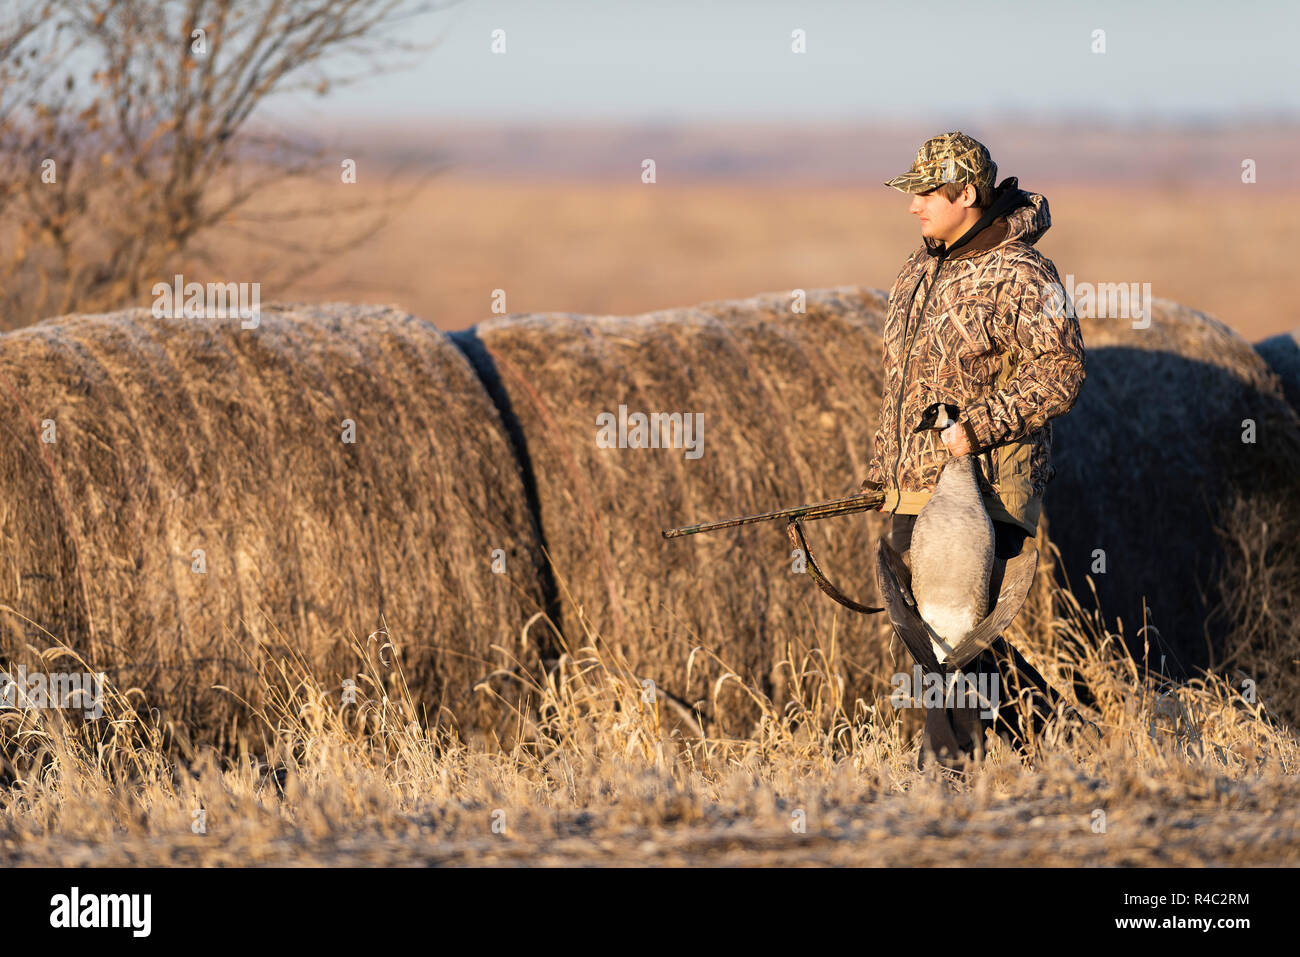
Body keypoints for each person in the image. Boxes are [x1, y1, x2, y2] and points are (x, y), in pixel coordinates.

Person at [862, 131, 1087, 767]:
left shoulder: (1022, 272)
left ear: (967, 193)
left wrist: (978, 427)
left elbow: (1061, 373)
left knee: (950, 637)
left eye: (926, 193)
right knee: (938, 635)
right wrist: (887, 474)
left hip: (988, 484)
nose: (913, 206)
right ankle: (1053, 732)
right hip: (919, 483)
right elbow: (901, 385)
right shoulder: (919, 268)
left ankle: (951, 777)